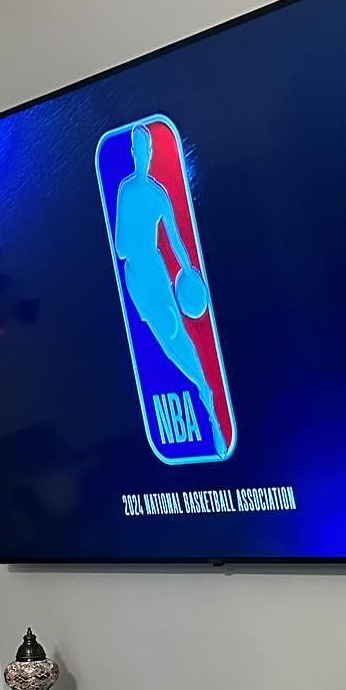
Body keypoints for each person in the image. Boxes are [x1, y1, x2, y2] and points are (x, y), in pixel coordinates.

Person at [111, 123, 226, 456]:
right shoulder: (131, 192)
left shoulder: (149, 194)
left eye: (147, 150)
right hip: (141, 277)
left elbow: (174, 237)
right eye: (140, 150)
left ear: (148, 153)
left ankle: (208, 403)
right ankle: (206, 400)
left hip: (153, 274)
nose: (143, 156)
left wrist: (189, 271)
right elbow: (120, 247)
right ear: (134, 153)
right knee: (167, 341)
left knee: (176, 335)